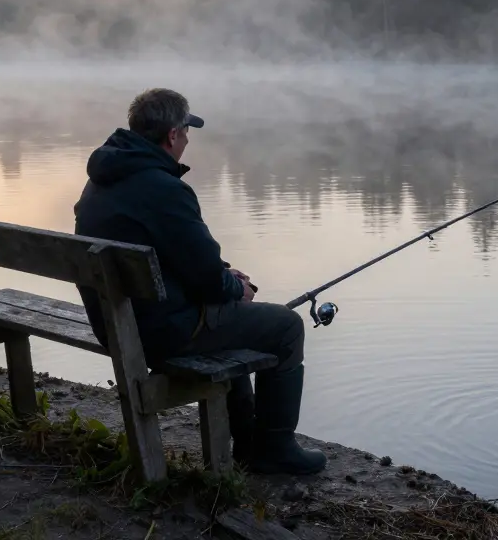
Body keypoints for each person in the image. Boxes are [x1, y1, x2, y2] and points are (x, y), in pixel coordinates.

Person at [72, 87, 326, 476]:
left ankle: (248, 444)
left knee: (234, 316)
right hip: (158, 333)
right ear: (172, 135)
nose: (189, 139)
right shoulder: (165, 189)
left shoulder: (103, 179)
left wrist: (222, 276)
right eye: (187, 131)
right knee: (285, 327)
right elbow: (207, 279)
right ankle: (274, 448)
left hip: (116, 325)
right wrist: (234, 286)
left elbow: (177, 255)